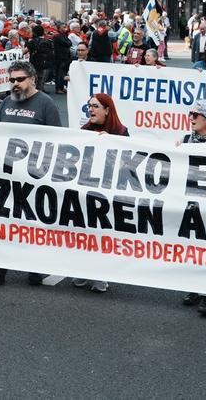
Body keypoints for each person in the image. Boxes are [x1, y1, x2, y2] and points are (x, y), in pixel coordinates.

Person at [0, 60, 62, 286]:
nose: (15, 83)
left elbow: (58, 140)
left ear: (32, 79)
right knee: (3, 220)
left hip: (34, 174)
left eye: (20, 79)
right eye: (12, 80)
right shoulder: (7, 102)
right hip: (8, 172)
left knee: (32, 222)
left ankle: (35, 267)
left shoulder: (46, 104)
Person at [72, 92, 128, 293]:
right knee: (84, 231)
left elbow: (126, 164)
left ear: (107, 110)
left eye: (95, 106)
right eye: (89, 106)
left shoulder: (121, 132)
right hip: (87, 189)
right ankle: (82, 270)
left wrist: (111, 144)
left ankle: (100, 274)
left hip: (108, 192)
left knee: (103, 233)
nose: (91, 110)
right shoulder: (84, 131)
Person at [177, 100, 206, 317]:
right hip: (190, 202)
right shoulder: (185, 140)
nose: (191, 118)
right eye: (191, 113)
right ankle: (194, 288)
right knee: (193, 247)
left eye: (196, 115)